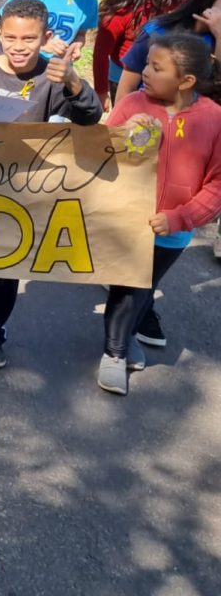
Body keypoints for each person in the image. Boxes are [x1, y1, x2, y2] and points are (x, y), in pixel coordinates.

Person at [0, 0, 102, 368]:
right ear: (0, 33)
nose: (18, 47)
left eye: (29, 39)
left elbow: (90, 119)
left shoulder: (55, 78)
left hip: (29, 191)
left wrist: (76, 83)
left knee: (10, 272)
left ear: (46, 36)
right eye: (11, 37)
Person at [99, 33, 221, 395]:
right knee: (127, 286)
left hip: (174, 232)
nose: (144, 71)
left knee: (145, 287)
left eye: (156, 67)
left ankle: (127, 335)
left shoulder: (214, 118)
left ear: (186, 81)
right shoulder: (132, 104)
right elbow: (103, 152)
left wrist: (180, 218)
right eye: (147, 63)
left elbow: (216, 185)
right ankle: (115, 353)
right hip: (126, 224)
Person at [116, 0, 221, 278]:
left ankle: (138, 296)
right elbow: (128, 82)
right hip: (143, 135)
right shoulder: (160, 31)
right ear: (206, 1)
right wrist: (120, 116)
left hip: (195, 143)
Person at [94, 0, 183, 110]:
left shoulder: (171, 3)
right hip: (123, 80)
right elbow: (101, 54)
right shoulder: (120, 12)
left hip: (156, 78)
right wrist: (101, 92)